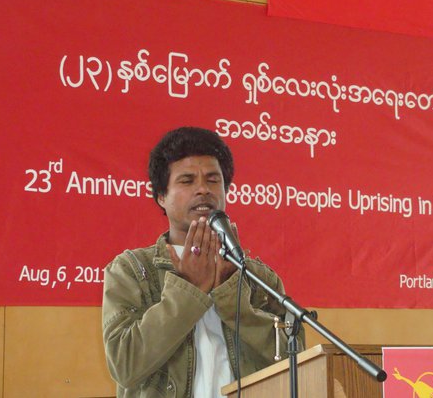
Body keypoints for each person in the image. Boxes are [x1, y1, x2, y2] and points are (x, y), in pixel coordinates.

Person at [102, 127, 301, 397]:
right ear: (161, 196)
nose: (203, 190)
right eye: (187, 181)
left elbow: (295, 361)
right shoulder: (132, 270)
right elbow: (125, 365)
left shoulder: (258, 277)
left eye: (213, 180)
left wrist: (232, 294)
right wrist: (189, 289)